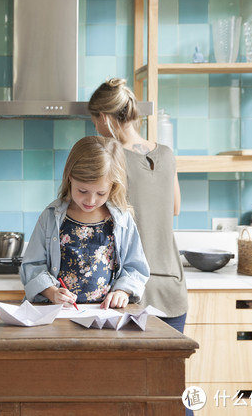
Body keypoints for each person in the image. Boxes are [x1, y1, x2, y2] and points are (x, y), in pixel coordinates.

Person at [88, 78, 187, 332]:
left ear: (104, 116)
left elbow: (95, 214)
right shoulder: (166, 153)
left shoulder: (110, 157)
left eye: (95, 120)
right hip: (172, 287)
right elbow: (174, 208)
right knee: (168, 370)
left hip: (130, 291)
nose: (96, 127)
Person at [20, 135, 150, 309]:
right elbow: (32, 265)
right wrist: (52, 292)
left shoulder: (121, 219)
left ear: (113, 186)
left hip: (104, 314)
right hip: (58, 312)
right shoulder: (51, 217)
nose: (91, 200)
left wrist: (122, 292)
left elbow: (135, 267)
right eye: (82, 191)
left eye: (101, 193)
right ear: (70, 178)